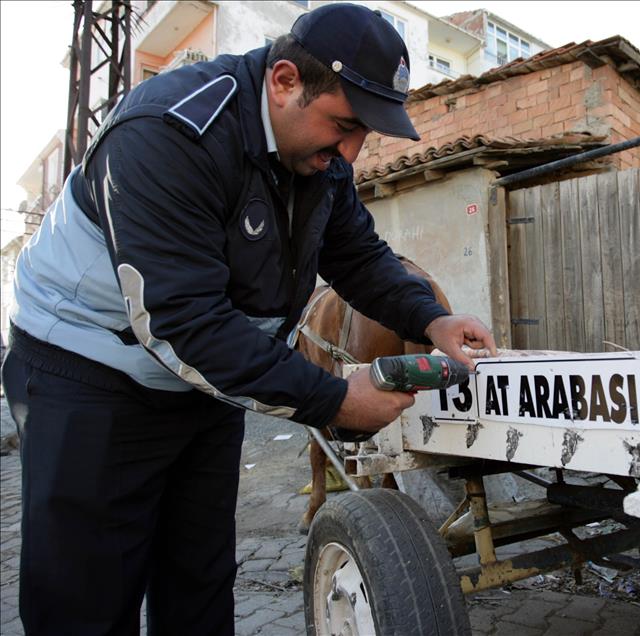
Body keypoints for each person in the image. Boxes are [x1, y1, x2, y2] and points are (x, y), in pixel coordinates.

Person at [1, 4, 496, 635]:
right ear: (285, 81)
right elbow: (185, 323)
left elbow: (359, 256)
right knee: (86, 597)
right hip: (89, 371)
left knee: (199, 582)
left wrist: (431, 320)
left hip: (203, 379)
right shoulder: (168, 134)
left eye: (365, 133)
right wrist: (335, 398)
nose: (350, 151)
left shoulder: (320, 160)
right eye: (345, 124)